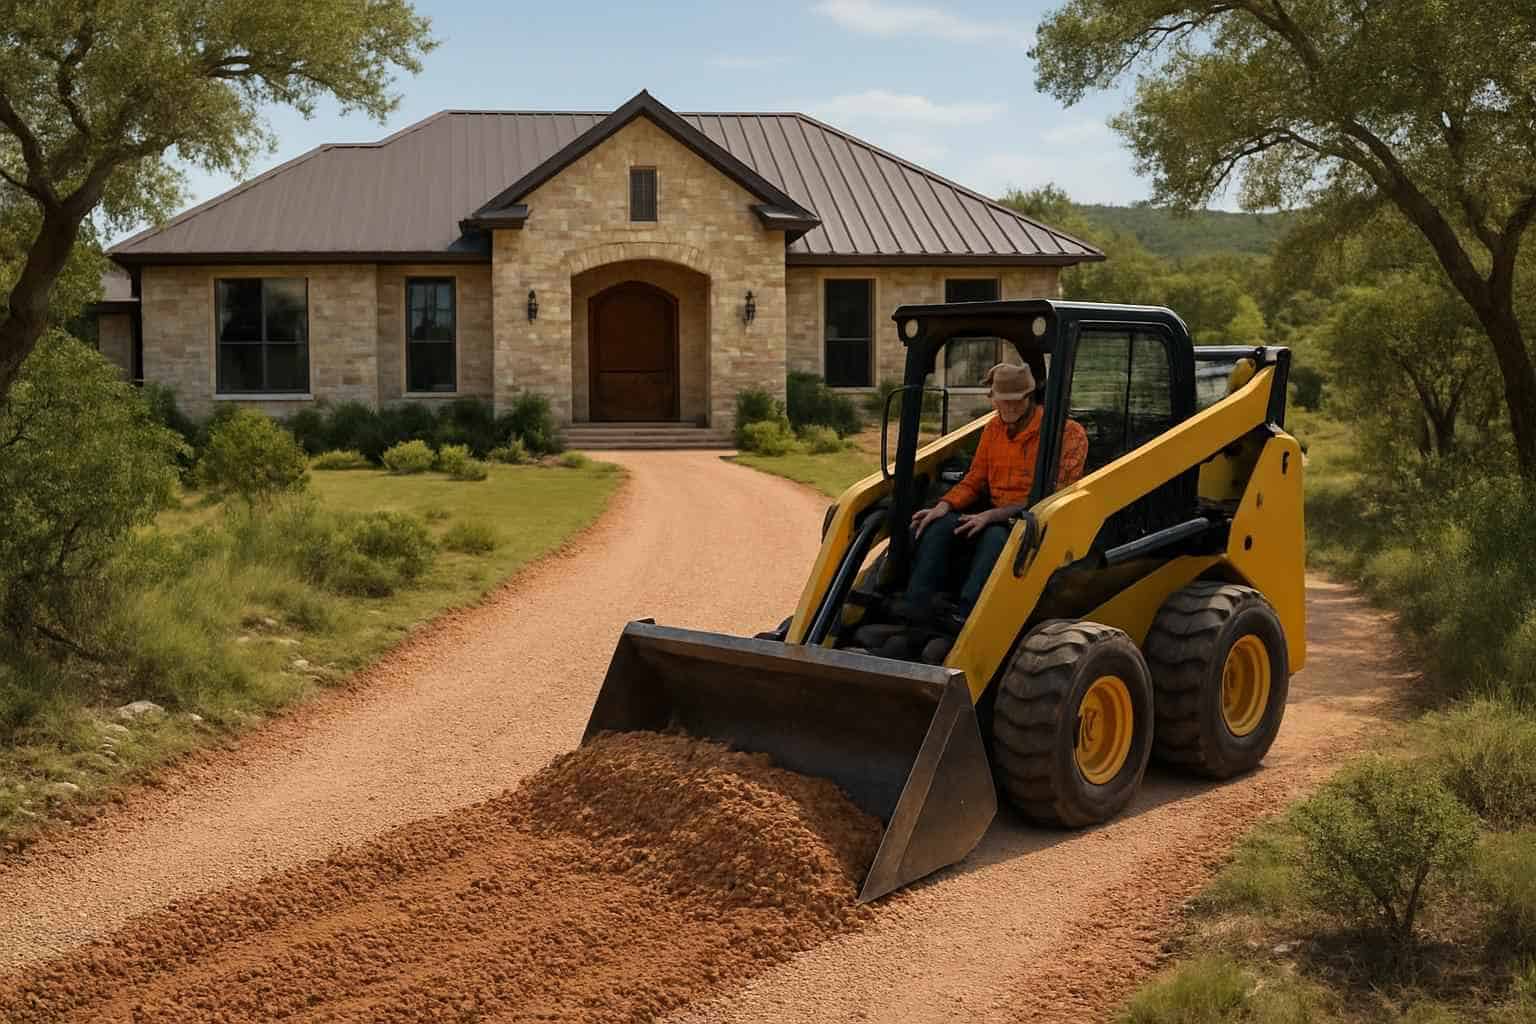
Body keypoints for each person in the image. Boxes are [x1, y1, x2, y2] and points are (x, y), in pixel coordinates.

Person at [903, 361, 1088, 622]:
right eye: (1004, 401)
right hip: (995, 513)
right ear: (993, 399)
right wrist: (943, 506)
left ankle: (967, 617)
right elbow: (975, 479)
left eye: (1017, 400)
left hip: (1037, 520)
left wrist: (991, 516)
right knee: (938, 526)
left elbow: (1054, 496)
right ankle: (915, 606)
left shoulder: (1068, 434)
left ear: (1029, 397)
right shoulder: (993, 430)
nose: (1010, 406)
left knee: (994, 538)